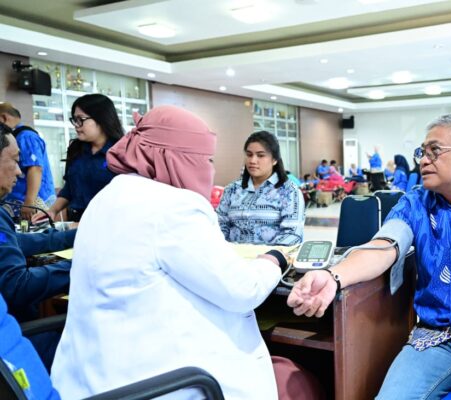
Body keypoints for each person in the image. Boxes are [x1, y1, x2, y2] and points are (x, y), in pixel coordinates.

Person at [288, 114, 451, 400]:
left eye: (434, 151)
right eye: (422, 152)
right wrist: (333, 276)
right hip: (435, 337)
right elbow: (384, 247)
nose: (423, 160)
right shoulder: (415, 201)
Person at [51, 106, 285, 399]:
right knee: (293, 379)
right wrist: (273, 261)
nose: (209, 170)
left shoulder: (106, 197)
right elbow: (242, 290)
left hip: (93, 379)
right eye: (205, 159)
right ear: (174, 158)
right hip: (162, 382)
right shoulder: (175, 206)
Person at [0, 130, 76, 368]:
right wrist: (81, 264)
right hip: (15, 346)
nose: (20, 171)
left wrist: (74, 236)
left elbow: (15, 243)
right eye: (14, 160)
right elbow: (17, 286)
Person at [32, 94, 124, 224]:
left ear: (102, 119)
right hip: (76, 221)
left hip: (110, 222)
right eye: (74, 120)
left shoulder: (122, 152)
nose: (76, 125)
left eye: (81, 119)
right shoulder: (76, 150)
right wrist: (52, 210)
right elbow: (70, 187)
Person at [217, 131, 304, 245]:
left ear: (274, 160)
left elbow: (292, 233)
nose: (252, 161)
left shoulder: (289, 191)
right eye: (249, 154)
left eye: (260, 155)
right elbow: (219, 225)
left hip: (271, 260)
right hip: (233, 258)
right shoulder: (232, 189)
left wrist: (267, 257)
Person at [0, 102, 55, 220]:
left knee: (34, 236)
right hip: (18, 202)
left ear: (3, 118)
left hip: (32, 204)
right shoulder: (15, 137)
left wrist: (29, 202)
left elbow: (35, 169)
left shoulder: (26, 136)